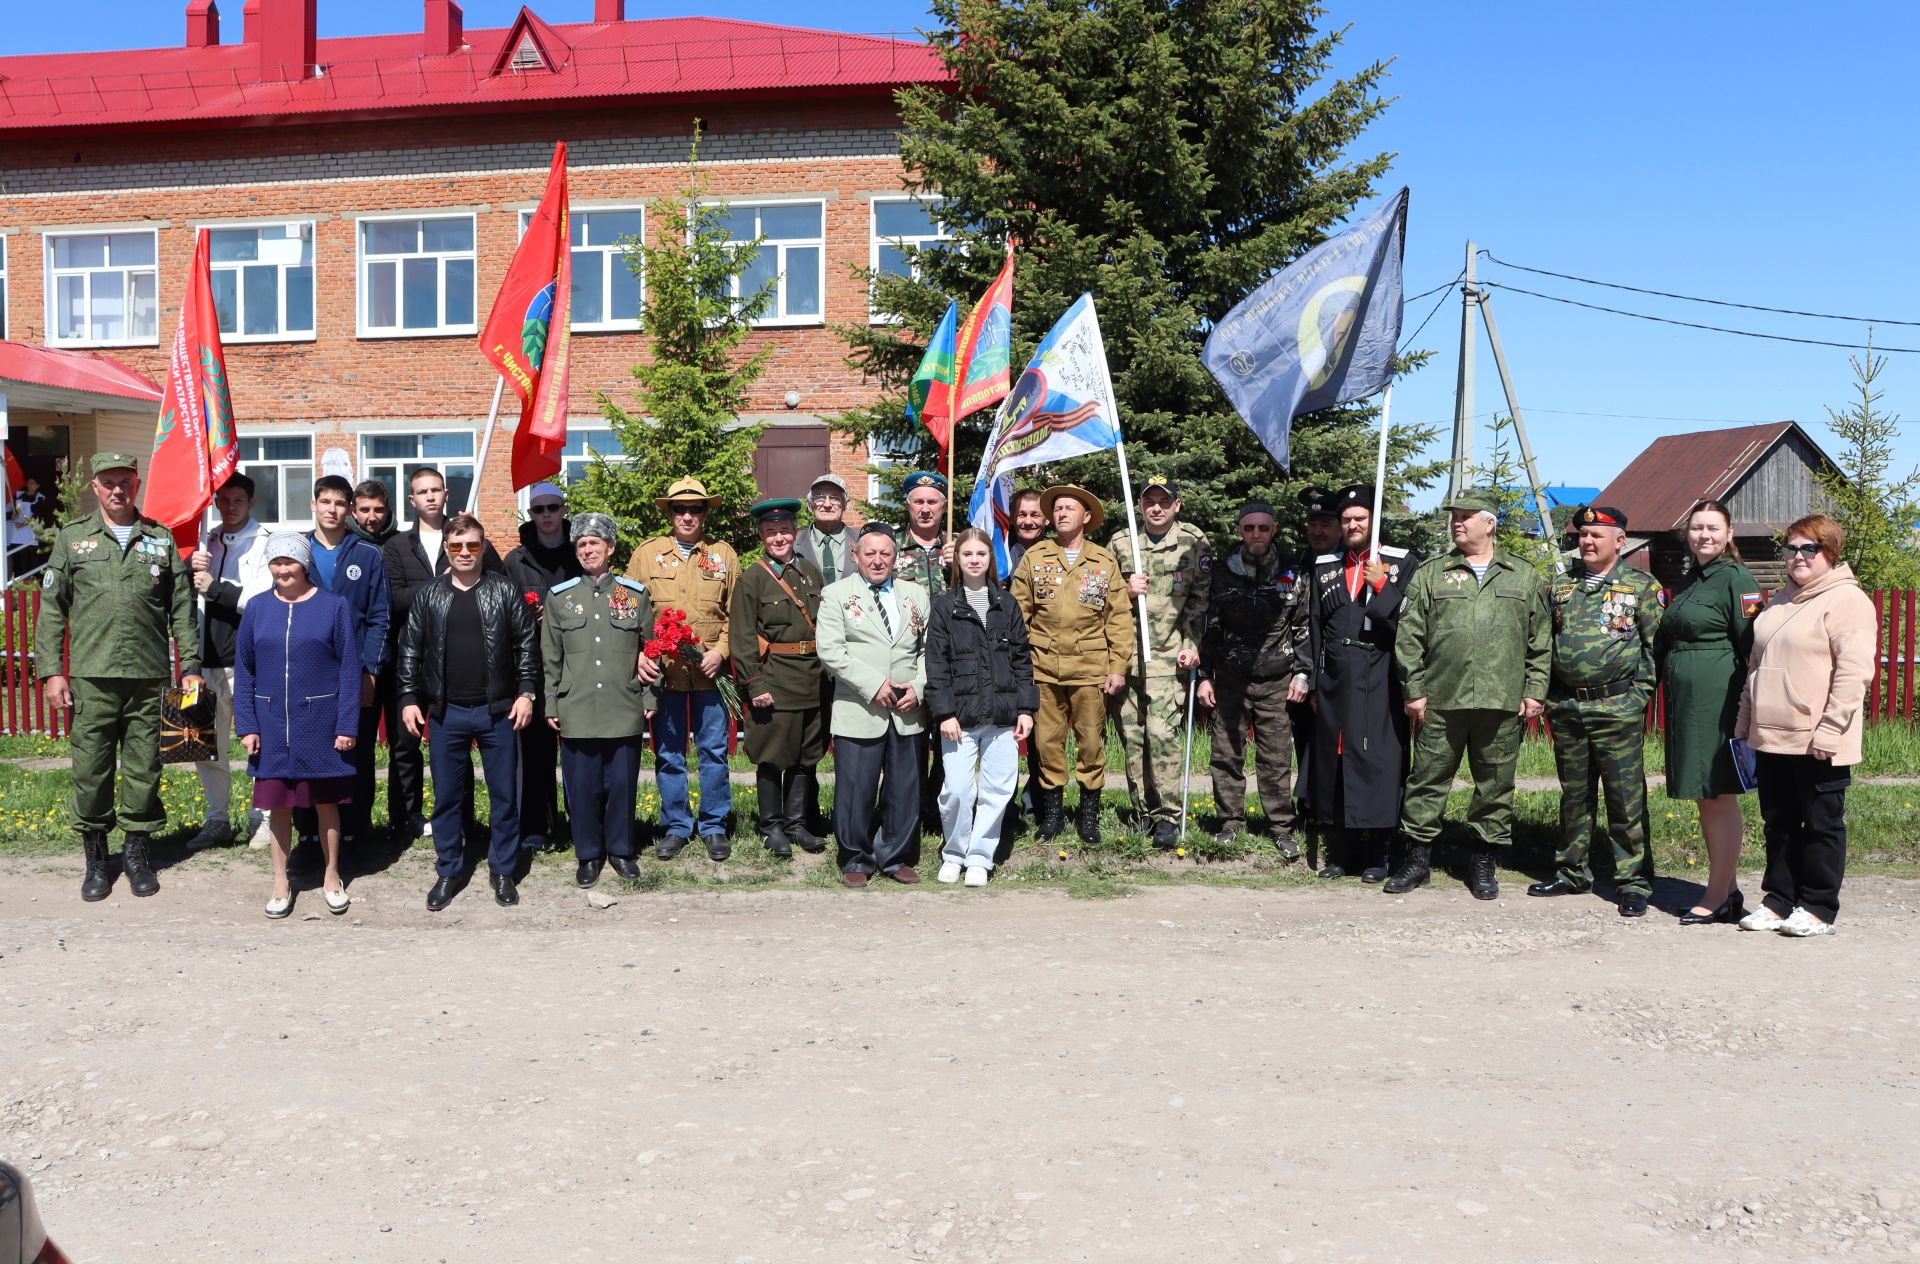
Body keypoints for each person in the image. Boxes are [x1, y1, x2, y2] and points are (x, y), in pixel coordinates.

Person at [35, 452, 202, 902]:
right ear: (95, 487)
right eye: (108, 483)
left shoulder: (160, 540)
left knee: (144, 769)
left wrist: (190, 667)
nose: (117, 491)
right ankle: (96, 860)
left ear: (136, 483)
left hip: (148, 678)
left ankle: (136, 856)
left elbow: (182, 609)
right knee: (91, 771)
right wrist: (53, 672)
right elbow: (52, 611)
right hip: (92, 678)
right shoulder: (74, 540)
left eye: (125, 482)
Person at [1391, 488, 1549, 900]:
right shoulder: (1432, 573)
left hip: (1501, 699)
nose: (1456, 522)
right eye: (1453, 517)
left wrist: (1534, 690)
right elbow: (1409, 637)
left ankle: (1482, 863)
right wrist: (1414, 689)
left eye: (1465, 516)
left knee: (1495, 785)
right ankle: (1416, 862)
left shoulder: (1523, 575)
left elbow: (1540, 640)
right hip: (1442, 698)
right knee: (1427, 781)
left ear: (1490, 522)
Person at [1733, 514, 1875, 937]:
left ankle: (1817, 907)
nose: (1798, 556)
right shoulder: (1778, 602)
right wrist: (1745, 722)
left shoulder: (1847, 601)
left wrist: (1830, 729)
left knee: (1821, 825)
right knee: (1778, 823)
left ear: (1829, 552)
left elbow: (1854, 674)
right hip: (1771, 735)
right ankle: (1779, 900)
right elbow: (1755, 668)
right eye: (1791, 548)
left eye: (1808, 548)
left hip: (1818, 738)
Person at [1527, 506, 1664, 916]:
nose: (1587, 542)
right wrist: (1551, 695)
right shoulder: (1562, 586)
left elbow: (1656, 649)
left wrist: (1637, 697)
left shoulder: (1641, 587)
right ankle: (1573, 871)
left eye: (1596, 536)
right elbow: (1545, 643)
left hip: (1616, 707)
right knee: (1574, 795)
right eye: (1583, 535)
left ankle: (1632, 880)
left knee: (1625, 797)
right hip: (1567, 706)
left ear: (1619, 541)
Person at [397, 513, 539, 911]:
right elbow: (411, 649)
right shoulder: (429, 594)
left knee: (505, 796)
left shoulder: (504, 591)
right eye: (457, 546)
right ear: (446, 548)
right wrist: (409, 698)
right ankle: (448, 870)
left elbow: (526, 645)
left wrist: (526, 693)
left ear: (483, 547)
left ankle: (503, 869)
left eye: (472, 545)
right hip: (445, 712)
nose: (464, 552)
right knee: (446, 798)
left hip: (498, 711)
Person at [232, 533, 361, 918]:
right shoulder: (256, 608)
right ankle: (279, 882)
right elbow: (245, 668)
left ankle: (332, 876)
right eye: (276, 563)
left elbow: (350, 670)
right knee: (278, 807)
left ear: (304, 564)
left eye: (290, 562)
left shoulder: (333, 606)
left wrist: (347, 725)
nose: (283, 569)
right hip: (271, 726)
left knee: (326, 803)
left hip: (320, 725)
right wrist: (247, 725)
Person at [1301, 484, 1421, 881]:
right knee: (1336, 761)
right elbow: (1316, 625)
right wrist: (1317, 682)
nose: (1352, 524)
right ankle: (1342, 852)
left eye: (1360, 518)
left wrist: (1383, 585)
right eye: (1347, 519)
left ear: (1375, 520)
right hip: (1336, 675)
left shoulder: (1402, 563)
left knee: (1379, 763)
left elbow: (1410, 624)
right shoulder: (1325, 565)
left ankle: (1379, 854)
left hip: (1380, 674)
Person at [382, 467, 503, 841]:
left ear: (446, 494)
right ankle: (406, 818)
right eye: (422, 491)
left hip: (460, 662)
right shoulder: (398, 546)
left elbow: (498, 584)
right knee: (406, 744)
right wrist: (441, 589)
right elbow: (394, 598)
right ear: (412, 500)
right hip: (413, 657)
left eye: (436, 489)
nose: (430, 497)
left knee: (457, 746)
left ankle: (462, 819)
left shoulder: (465, 535)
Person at [1657, 499, 1762, 925]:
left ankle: (1718, 894)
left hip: (1718, 699)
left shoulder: (1737, 579)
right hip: (1689, 704)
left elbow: (1751, 646)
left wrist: (1746, 708)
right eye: (1697, 528)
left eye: (1713, 528)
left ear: (1729, 533)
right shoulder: (1693, 579)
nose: (1704, 535)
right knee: (1706, 795)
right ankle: (1728, 890)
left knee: (1716, 794)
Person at [1010, 485, 1134, 846]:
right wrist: (1021, 667)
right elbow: (1018, 615)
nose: (1062, 513)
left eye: (1070, 508)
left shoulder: (1103, 561)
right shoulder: (1035, 558)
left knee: (1091, 743)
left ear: (1086, 517)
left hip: (1090, 668)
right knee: (1047, 743)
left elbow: (1119, 619)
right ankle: (1052, 817)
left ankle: (1089, 817)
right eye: (1058, 508)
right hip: (1043, 667)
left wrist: (1117, 667)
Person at [542, 512, 658, 888]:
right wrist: (550, 703)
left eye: (595, 543)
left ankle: (621, 850)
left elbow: (650, 648)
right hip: (575, 706)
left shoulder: (632, 595)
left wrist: (650, 694)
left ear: (610, 547)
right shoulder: (561, 598)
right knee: (582, 786)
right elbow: (551, 657)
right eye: (581, 545)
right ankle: (588, 854)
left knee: (622, 785)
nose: (588, 550)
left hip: (623, 705)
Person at [626, 476, 739, 860]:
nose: (688, 516)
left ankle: (713, 825)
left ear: (706, 512)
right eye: (680, 509)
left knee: (713, 751)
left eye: (696, 509)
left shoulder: (724, 555)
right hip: (664, 674)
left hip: (710, 673)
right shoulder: (646, 554)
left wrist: (721, 651)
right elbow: (629, 611)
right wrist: (640, 654)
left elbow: (735, 615)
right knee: (669, 753)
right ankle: (676, 825)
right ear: (669, 513)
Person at [816, 524, 931, 887]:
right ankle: (855, 858)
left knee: (905, 788)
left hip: (907, 710)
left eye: (885, 553)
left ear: (895, 557)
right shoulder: (836, 594)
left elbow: (930, 650)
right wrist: (874, 685)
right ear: (856, 555)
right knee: (855, 789)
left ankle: (896, 856)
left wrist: (919, 687)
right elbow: (831, 651)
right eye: (870, 553)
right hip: (860, 707)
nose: (878, 560)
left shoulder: (916, 594)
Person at [926, 528, 1037, 885]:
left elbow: (1022, 659)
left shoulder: (1007, 604)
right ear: (956, 560)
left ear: (991, 560)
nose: (974, 560)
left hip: (1003, 717)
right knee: (957, 789)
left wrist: (1026, 709)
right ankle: (954, 852)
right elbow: (937, 663)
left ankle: (979, 856)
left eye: (981, 554)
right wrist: (944, 712)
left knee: (997, 791)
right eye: (967, 554)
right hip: (960, 718)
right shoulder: (945, 607)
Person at [1197, 500, 1309, 855]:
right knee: (1226, 754)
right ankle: (1230, 821)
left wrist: (1303, 673)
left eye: (1263, 527)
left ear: (1273, 529)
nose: (1256, 534)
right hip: (1231, 678)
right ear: (1240, 530)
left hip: (1277, 678)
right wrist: (1204, 676)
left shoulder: (1293, 571)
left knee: (1275, 757)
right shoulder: (1222, 572)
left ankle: (1280, 826)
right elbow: (1210, 628)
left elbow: (1303, 625)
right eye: (1249, 528)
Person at [1107, 475, 1210, 848]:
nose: (1156, 508)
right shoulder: (1121, 543)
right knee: (1132, 738)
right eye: (1149, 501)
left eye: (1164, 502)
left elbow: (1200, 601)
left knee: (1162, 736)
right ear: (1139, 505)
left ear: (1176, 506)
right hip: (1126, 657)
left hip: (1169, 658)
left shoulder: (1192, 542)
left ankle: (1168, 816)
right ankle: (1142, 812)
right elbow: (1101, 599)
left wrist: (1191, 644)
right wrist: (1123, 588)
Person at [729, 498, 828, 859]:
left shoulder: (809, 572)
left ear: (794, 531)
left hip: (812, 678)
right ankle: (771, 827)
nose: (779, 537)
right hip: (774, 680)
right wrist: (754, 684)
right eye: (771, 532)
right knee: (771, 757)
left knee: (806, 756)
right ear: (762, 535)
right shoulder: (752, 579)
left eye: (785, 530)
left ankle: (797, 824)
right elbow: (740, 636)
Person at [301, 476, 390, 851]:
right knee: (307, 751)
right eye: (326, 502)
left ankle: (356, 831)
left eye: (340, 503)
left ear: (349, 509)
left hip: (354, 675)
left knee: (357, 754)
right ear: (314, 505)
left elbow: (379, 617)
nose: (332, 510)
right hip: (306, 674)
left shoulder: (368, 554)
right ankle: (308, 834)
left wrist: (370, 671)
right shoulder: (298, 552)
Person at [187, 473, 273, 851]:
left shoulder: (266, 542)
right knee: (209, 745)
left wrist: (215, 587)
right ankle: (217, 818)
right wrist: (191, 568)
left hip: (247, 659)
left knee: (258, 741)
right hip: (205, 659)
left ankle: (263, 817)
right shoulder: (206, 541)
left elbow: (259, 600)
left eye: (238, 499)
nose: (230, 506)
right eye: (223, 500)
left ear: (251, 502)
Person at [504, 481, 583, 852]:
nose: (547, 515)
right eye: (539, 509)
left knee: (580, 748)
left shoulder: (581, 552)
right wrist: (524, 614)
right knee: (534, 752)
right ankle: (536, 826)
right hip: (533, 665)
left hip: (579, 664)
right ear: (530, 514)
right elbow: (501, 613)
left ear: (564, 510)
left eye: (553, 507)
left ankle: (582, 824)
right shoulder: (515, 560)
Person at [792, 472, 854, 841]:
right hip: (808, 655)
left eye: (834, 497)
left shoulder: (863, 542)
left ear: (846, 504)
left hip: (855, 652)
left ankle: (853, 810)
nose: (827, 503)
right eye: (820, 498)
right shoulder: (793, 542)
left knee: (853, 735)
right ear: (810, 505)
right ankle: (807, 815)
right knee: (810, 736)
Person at [1289, 487, 1343, 862]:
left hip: (1337, 672)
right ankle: (1308, 808)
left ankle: (1335, 809)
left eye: (1325, 523)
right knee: (1304, 740)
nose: (1318, 530)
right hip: (1297, 671)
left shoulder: (1348, 564)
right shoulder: (1298, 562)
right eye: (1313, 523)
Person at [893, 470, 953, 598]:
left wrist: (960, 566)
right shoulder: (890, 545)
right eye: (919, 502)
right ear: (908, 506)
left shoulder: (958, 545)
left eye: (932, 502)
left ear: (944, 506)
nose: (925, 510)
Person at [1007, 487, 1049, 571]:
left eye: (1035, 515)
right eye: (1022, 515)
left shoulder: (1059, 554)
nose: (1028, 522)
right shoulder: (1001, 557)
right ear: (1011, 518)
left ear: (1047, 519)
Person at [350, 479, 397, 547]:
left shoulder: (402, 543)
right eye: (365, 510)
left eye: (378, 510)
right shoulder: (342, 543)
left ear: (387, 511)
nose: (372, 518)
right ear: (354, 512)